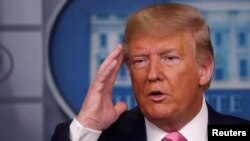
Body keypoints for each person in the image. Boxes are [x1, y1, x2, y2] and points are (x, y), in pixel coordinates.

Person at [51, 3, 250, 141]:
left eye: (169, 58)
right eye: (140, 60)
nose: (153, 74)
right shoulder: (98, 137)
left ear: (204, 70)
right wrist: (89, 124)